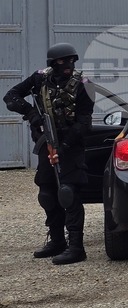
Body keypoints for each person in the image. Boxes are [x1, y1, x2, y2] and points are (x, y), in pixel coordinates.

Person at [3, 43, 94, 264]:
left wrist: (64, 147)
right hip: (46, 143)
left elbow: (84, 122)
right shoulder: (40, 79)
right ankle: (56, 241)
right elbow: (11, 96)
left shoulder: (84, 85)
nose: (68, 66)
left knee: (68, 193)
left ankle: (76, 247)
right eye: (63, 62)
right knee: (47, 193)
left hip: (71, 145)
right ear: (53, 63)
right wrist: (32, 113)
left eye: (72, 61)